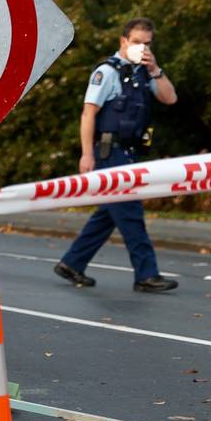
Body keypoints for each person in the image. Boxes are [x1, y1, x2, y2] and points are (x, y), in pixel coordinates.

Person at [53, 18, 179, 293]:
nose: (141, 48)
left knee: (110, 214)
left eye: (147, 43)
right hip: (109, 152)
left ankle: (72, 263)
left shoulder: (144, 72)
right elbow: (89, 113)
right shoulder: (107, 72)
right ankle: (147, 274)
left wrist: (155, 68)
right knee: (130, 210)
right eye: (136, 42)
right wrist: (87, 155)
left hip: (130, 152)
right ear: (123, 42)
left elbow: (170, 98)